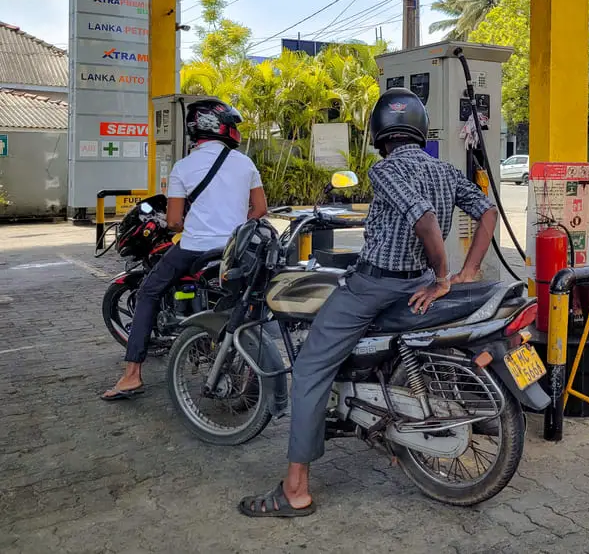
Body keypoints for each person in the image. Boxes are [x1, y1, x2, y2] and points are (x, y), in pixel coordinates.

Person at [239, 87, 499, 518]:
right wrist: (465, 272)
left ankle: (295, 489)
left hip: (377, 287)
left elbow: (423, 219)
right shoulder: (444, 170)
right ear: (418, 129)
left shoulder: (385, 170)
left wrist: (441, 279)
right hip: (413, 282)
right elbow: (487, 212)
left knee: (309, 368)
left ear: (380, 133)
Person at [102, 99, 267, 401]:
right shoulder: (244, 163)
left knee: (149, 292)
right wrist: (230, 226)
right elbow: (259, 209)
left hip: (193, 250)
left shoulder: (183, 166)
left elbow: (175, 220)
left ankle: (132, 375)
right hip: (233, 251)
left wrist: (192, 224)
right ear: (220, 127)